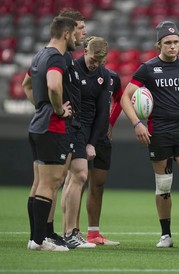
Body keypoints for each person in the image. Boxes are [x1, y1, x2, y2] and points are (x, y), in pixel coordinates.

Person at [120, 21, 179, 248]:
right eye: (168, 43)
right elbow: (125, 97)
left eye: (176, 42)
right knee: (164, 185)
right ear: (159, 44)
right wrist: (137, 124)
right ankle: (166, 235)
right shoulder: (148, 68)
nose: (173, 46)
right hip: (159, 133)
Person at [22, 16, 76, 251]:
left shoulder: (39, 54)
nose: (76, 38)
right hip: (52, 127)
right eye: (75, 34)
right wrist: (56, 109)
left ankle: (36, 237)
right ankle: (39, 241)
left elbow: (26, 84)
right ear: (66, 34)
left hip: (37, 125)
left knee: (38, 184)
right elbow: (54, 85)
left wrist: (41, 106)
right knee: (50, 184)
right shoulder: (56, 57)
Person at [62, 36, 111, 248]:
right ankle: (69, 232)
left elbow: (103, 114)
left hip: (90, 131)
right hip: (73, 126)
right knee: (77, 176)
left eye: (99, 61)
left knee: (73, 179)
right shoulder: (71, 68)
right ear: (84, 53)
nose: (95, 64)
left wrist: (92, 143)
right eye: (92, 60)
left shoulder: (104, 75)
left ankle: (69, 232)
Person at [84, 68, 123, 246]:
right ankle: (71, 231)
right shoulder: (76, 72)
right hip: (81, 133)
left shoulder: (112, 77)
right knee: (75, 181)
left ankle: (93, 233)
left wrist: (110, 122)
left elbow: (120, 99)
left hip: (101, 137)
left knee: (98, 184)